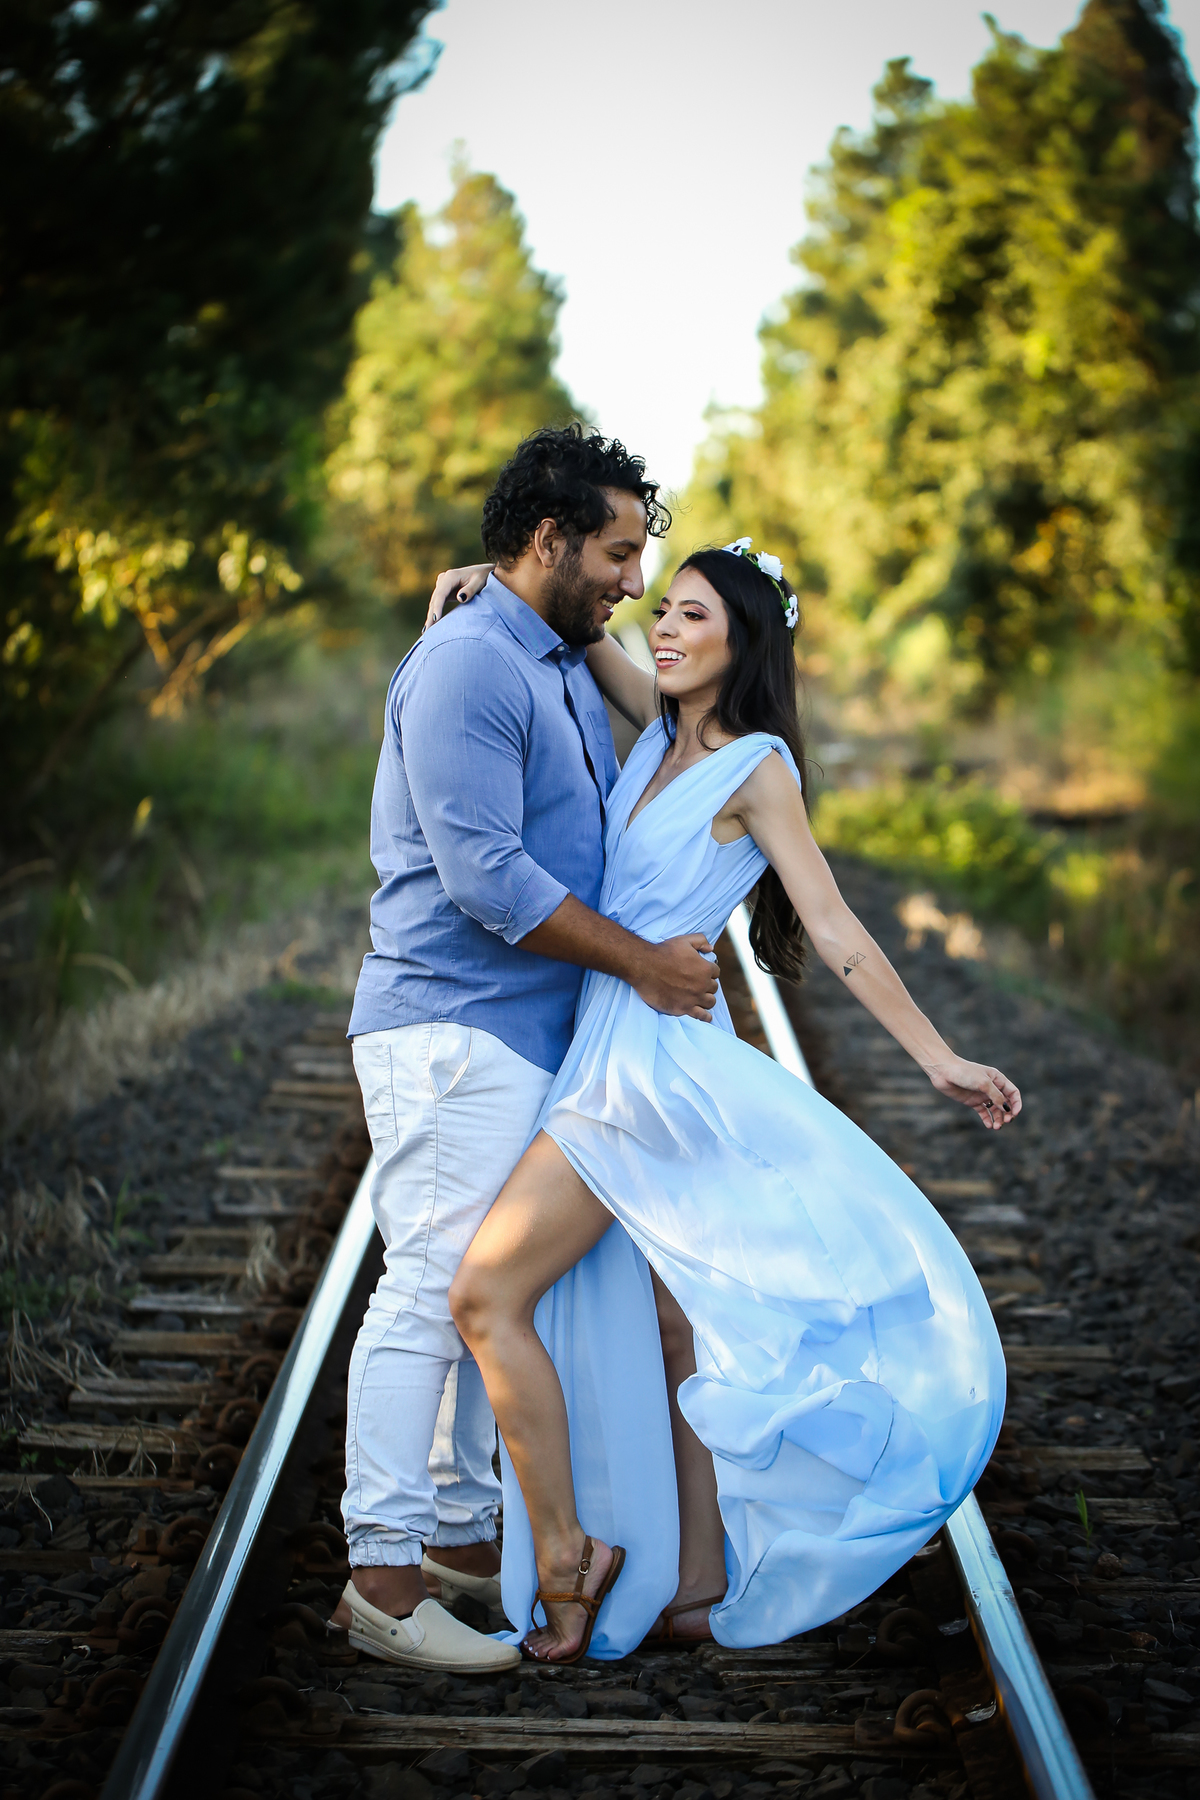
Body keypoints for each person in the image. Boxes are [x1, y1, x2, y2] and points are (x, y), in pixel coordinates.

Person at [429, 540, 1018, 1663]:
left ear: (741, 639)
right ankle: (697, 1580)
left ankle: (571, 1561)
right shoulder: (654, 721)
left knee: (488, 1292)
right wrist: (479, 584)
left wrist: (936, 1055)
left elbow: (832, 923)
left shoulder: (757, 766)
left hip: (646, 1073)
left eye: (691, 616)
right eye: (662, 609)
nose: (662, 627)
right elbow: (577, 622)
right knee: (670, 1326)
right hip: (611, 1049)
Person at [334, 426, 721, 1673]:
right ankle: (384, 1579)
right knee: (432, 1286)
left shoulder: (544, 653)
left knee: (474, 1292)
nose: (628, 579)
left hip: (513, 1032)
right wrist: (641, 964)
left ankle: (450, 1531)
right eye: (615, 552)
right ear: (548, 539)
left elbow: (654, 711)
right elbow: (488, 878)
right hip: (453, 1027)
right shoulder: (467, 668)